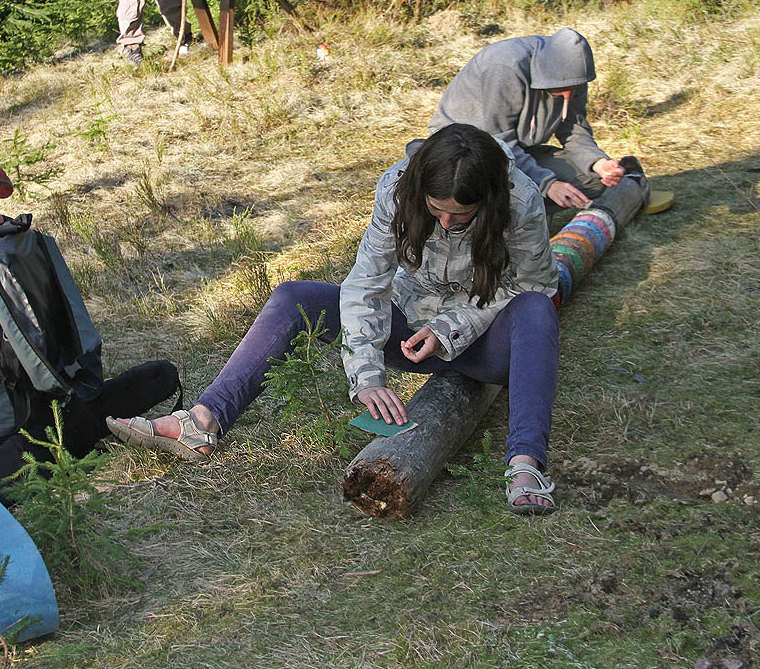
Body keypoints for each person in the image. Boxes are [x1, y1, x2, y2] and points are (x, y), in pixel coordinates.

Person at [107, 124, 564, 514]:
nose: (444, 223)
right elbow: (367, 284)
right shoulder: (398, 187)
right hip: (406, 330)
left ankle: (525, 465)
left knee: (537, 310)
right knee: (293, 297)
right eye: (435, 210)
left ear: (486, 201)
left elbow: (534, 284)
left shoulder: (519, 199)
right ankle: (202, 422)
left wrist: (450, 328)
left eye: (460, 215)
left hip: (485, 345)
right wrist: (366, 375)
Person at [430, 28, 626, 209]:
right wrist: (546, 184)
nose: (568, 96)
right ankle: (502, 217)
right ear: (547, 74)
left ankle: (526, 210)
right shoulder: (506, 67)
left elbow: (574, 129)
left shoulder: (574, 76)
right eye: (562, 90)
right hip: (467, 150)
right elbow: (498, 141)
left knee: (590, 179)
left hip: (518, 148)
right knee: (475, 190)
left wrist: (598, 163)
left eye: (574, 89)